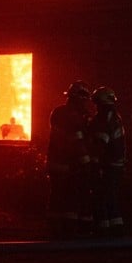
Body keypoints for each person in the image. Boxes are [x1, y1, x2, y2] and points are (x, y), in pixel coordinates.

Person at [47, 81, 94, 237]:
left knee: (57, 197)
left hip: (56, 163)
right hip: (70, 164)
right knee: (70, 197)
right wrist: (87, 163)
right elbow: (77, 141)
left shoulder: (58, 112)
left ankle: (55, 230)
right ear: (80, 98)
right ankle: (69, 231)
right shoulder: (74, 117)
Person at [87, 86, 126, 236]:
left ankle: (102, 230)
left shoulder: (104, 118)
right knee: (111, 196)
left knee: (101, 196)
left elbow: (101, 143)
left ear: (100, 103)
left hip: (107, 165)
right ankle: (115, 229)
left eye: (96, 103)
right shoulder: (115, 117)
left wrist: (94, 163)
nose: (95, 106)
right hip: (116, 164)